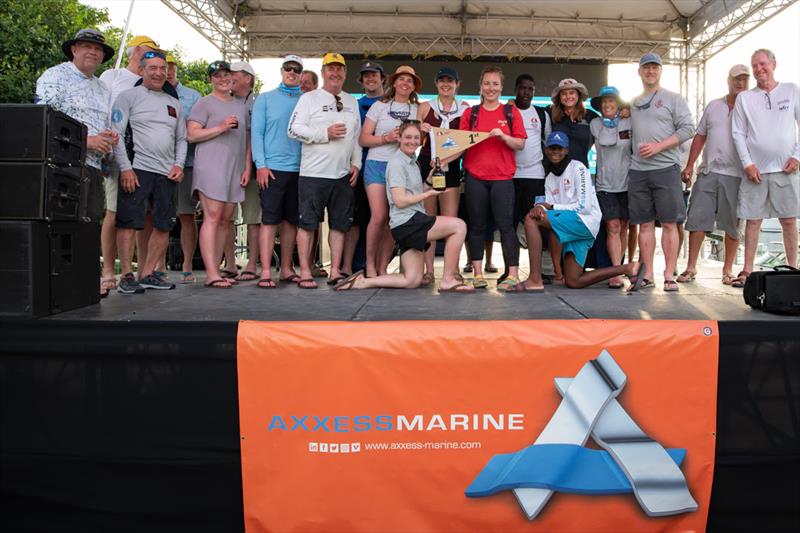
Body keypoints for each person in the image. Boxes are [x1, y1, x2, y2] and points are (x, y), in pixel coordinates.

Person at [335, 121, 474, 293]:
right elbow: (399, 200)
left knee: (412, 280)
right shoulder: (397, 163)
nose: (412, 141)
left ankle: (362, 282)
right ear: (399, 138)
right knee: (459, 225)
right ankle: (448, 279)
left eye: (416, 138)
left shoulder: (412, 161)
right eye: (408, 137)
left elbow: (416, 191)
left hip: (407, 224)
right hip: (408, 222)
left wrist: (430, 181)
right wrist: (428, 195)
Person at [35, 28, 117, 297]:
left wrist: (107, 138)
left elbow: (103, 125)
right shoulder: (55, 76)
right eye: (86, 46)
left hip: (93, 168)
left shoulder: (104, 88)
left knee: (90, 223)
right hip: (61, 164)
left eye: (98, 49)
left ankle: (85, 280)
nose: (93, 52)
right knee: (61, 225)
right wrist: (86, 141)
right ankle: (54, 284)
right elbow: (44, 119)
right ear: (74, 50)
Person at [512, 132, 644, 292]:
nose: (555, 151)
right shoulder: (549, 176)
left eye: (559, 148)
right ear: (546, 150)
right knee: (574, 281)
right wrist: (540, 207)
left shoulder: (577, 167)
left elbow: (584, 206)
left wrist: (551, 207)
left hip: (585, 221)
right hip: (572, 224)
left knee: (531, 219)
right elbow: (546, 203)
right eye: (552, 148)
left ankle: (535, 279)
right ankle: (628, 269)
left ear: (566, 150)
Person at [110, 51, 187, 294]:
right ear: (142, 70)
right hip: (137, 169)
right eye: (152, 67)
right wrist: (125, 168)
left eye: (162, 68)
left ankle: (147, 273)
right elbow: (116, 135)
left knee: (164, 224)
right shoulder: (128, 97)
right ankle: (126, 276)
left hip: (167, 174)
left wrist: (179, 165)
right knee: (128, 222)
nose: (158, 72)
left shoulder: (174, 103)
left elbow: (182, 139)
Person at [287, 52, 361, 288]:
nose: (335, 73)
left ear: (345, 73)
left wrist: (356, 163)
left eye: (340, 69)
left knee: (340, 225)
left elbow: (357, 137)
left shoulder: (351, 101)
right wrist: (323, 134)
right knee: (307, 224)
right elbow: (293, 130)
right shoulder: (309, 98)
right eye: (331, 68)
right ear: (323, 72)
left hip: (342, 175)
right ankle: (306, 272)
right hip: (313, 175)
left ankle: (335, 272)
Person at [98, 35, 161, 295]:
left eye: (154, 55)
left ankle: (144, 270)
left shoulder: (154, 84)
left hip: (147, 158)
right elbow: (102, 111)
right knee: (115, 212)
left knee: (145, 215)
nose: (149, 59)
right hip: (117, 152)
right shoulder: (112, 76)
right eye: (145, 54)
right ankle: (109, 271)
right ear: (133, 53)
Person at [732, 49, 800, 284]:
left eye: (762, 64)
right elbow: (738, 133)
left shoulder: (792, 90)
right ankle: (747, 271)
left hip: (786, 169)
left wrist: (798, 156)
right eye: (754, 66)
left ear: (773, 63)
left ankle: (793, 270)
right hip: (756, 172)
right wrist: (747, 163)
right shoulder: (744, 98)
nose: (759, 69)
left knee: (789, 220)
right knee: (752, 221)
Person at [628, 52, 695, 292]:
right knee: (644, 225)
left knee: (669, 223)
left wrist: (659, 146)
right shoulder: (633, 103)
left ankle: (669, 274)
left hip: (666, 168)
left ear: (661, 71)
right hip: (638, 171)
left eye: (655, 67)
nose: (650, 71)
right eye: (646, 67)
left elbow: (689, 128)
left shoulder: (673, 98)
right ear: (639, 71)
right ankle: (648, 275)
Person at [679, 65, 750, 285]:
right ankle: (691, 268)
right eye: (736, 79)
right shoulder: (714, 106)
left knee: (732, 225)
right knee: (697, 220)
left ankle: (727, 270)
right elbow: (700, 136)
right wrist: (690, 165)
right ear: (728, 80)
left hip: (737, 175)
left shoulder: (751, 107)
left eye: (744, 80)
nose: (740, 83)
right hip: (708, 171)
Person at [458, 66, 526, 291]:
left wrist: (504, 136)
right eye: (487, 83)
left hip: (503, 178)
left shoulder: (510, 112)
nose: (491, 88)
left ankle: (513, 275)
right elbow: (458, 143)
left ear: (501, 87)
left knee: (506, 226)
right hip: (475, 177)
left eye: (495, 84)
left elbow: (520, 143)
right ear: (481, 86)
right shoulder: (471, 113)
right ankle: (477, 274)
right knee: (476, 226)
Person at [186, 60, 251, 288]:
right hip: (210, 165)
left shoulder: (241, 106)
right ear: (210, 79)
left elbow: (246, 140)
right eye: (218, 75)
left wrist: (247, 167)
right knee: (212, 217)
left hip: (234, 168)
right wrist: (221, 127)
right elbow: (192, 135)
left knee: (225, 220)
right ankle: (211, 273)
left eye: (227, 75)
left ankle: (217, 269)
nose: (223, 79)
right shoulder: (204, 103)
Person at [358, 65, 422, 279]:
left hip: (402, 167)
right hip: (377, 164)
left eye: (410, 81)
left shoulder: (417, 110)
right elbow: (363, 138)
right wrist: (386, 138)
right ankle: (369, 264)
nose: (405, 83)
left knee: (393, 219)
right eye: (401, 79)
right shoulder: (379, 106)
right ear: (393, 82)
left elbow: (420, 139)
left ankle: (383, 266)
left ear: (413, 87)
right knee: (379, 216)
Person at [251, 55, 304, 288]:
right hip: (272, 168)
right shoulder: (264, 99)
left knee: (291, 221)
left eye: (296, 69)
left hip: (301, 169)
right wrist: (260, 165)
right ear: (281, 71)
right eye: (288, 68)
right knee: (269, 220)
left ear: (301, 74)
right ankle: (265, 271)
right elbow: (256, 134)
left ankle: (285, 268)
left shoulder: (306, 100)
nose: (292, 72)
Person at [417, 66, 471, 285]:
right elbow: (411, 135)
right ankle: (428, 270)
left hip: (451, 167)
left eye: (450, 81)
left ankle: (453, 269)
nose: (446, 84)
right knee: (429, 221)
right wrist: (420, 126)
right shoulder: (425, 106)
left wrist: (448, 160)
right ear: (436, 83)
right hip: (427, 166)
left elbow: (467, 141)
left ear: (457, 84)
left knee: (451, 221)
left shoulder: (465, 108)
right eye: (442, 81)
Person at [342, 60, 386, 277]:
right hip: (356, 169)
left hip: (383, 169)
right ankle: (349, 267)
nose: (370, 79)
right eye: (366, 75)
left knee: (380, 218)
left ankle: (376, 266)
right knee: (355, 220)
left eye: (374, 75)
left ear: (382, 78)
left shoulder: (391, 104)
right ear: (361, 80)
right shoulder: (352, 104)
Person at [589, 86, 633, 288]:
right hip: (605, 184)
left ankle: (621, 268)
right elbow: (604, 142)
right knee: (612, 226)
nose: (607, 104)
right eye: (604, 101)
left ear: (619, 104)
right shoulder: (595, 124)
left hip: (628, 182)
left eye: (612, 101)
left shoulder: (629, 120)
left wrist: (630, 109)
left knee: (623, 227)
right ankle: (615, 271)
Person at [509, 73, 552, 281]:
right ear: (516, 89)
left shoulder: (542, 115)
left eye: (530, 89)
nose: (526, 92)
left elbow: (548, 144)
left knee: (536, 222)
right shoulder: (507, 111)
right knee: (510, 224)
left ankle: (539, 271)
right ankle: (511, 272)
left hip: (535, 177)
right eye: (523, 88)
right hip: (510, 176)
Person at [164, 55, 202, 284]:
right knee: (154, 216)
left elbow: (197, 130)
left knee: (186, 215)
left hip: (186, 164)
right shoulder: (147, 92)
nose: (166, 72)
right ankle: (156, 266)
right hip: (155, 164)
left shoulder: (193, 96)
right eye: (160, 67)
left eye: (170, 67)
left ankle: (187, 265)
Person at [226, 61, 260, 282]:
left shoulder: (259, 103)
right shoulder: (222, 100)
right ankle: (229, 264)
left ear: (248, 78)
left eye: (234, 75)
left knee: (253, 217)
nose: (230, 78)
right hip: (226, 166)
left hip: (253, 167)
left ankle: (252, 263)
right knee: (225, 217)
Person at [549, 78, 599, 167]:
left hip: (581, 169)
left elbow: (609, 125)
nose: (568, 97)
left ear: (578, 95)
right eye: (564, 94)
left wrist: (625, 109)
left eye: (572, 93)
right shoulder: (550, 113)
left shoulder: (590, 116)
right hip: (554, 170)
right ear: (559, 97)